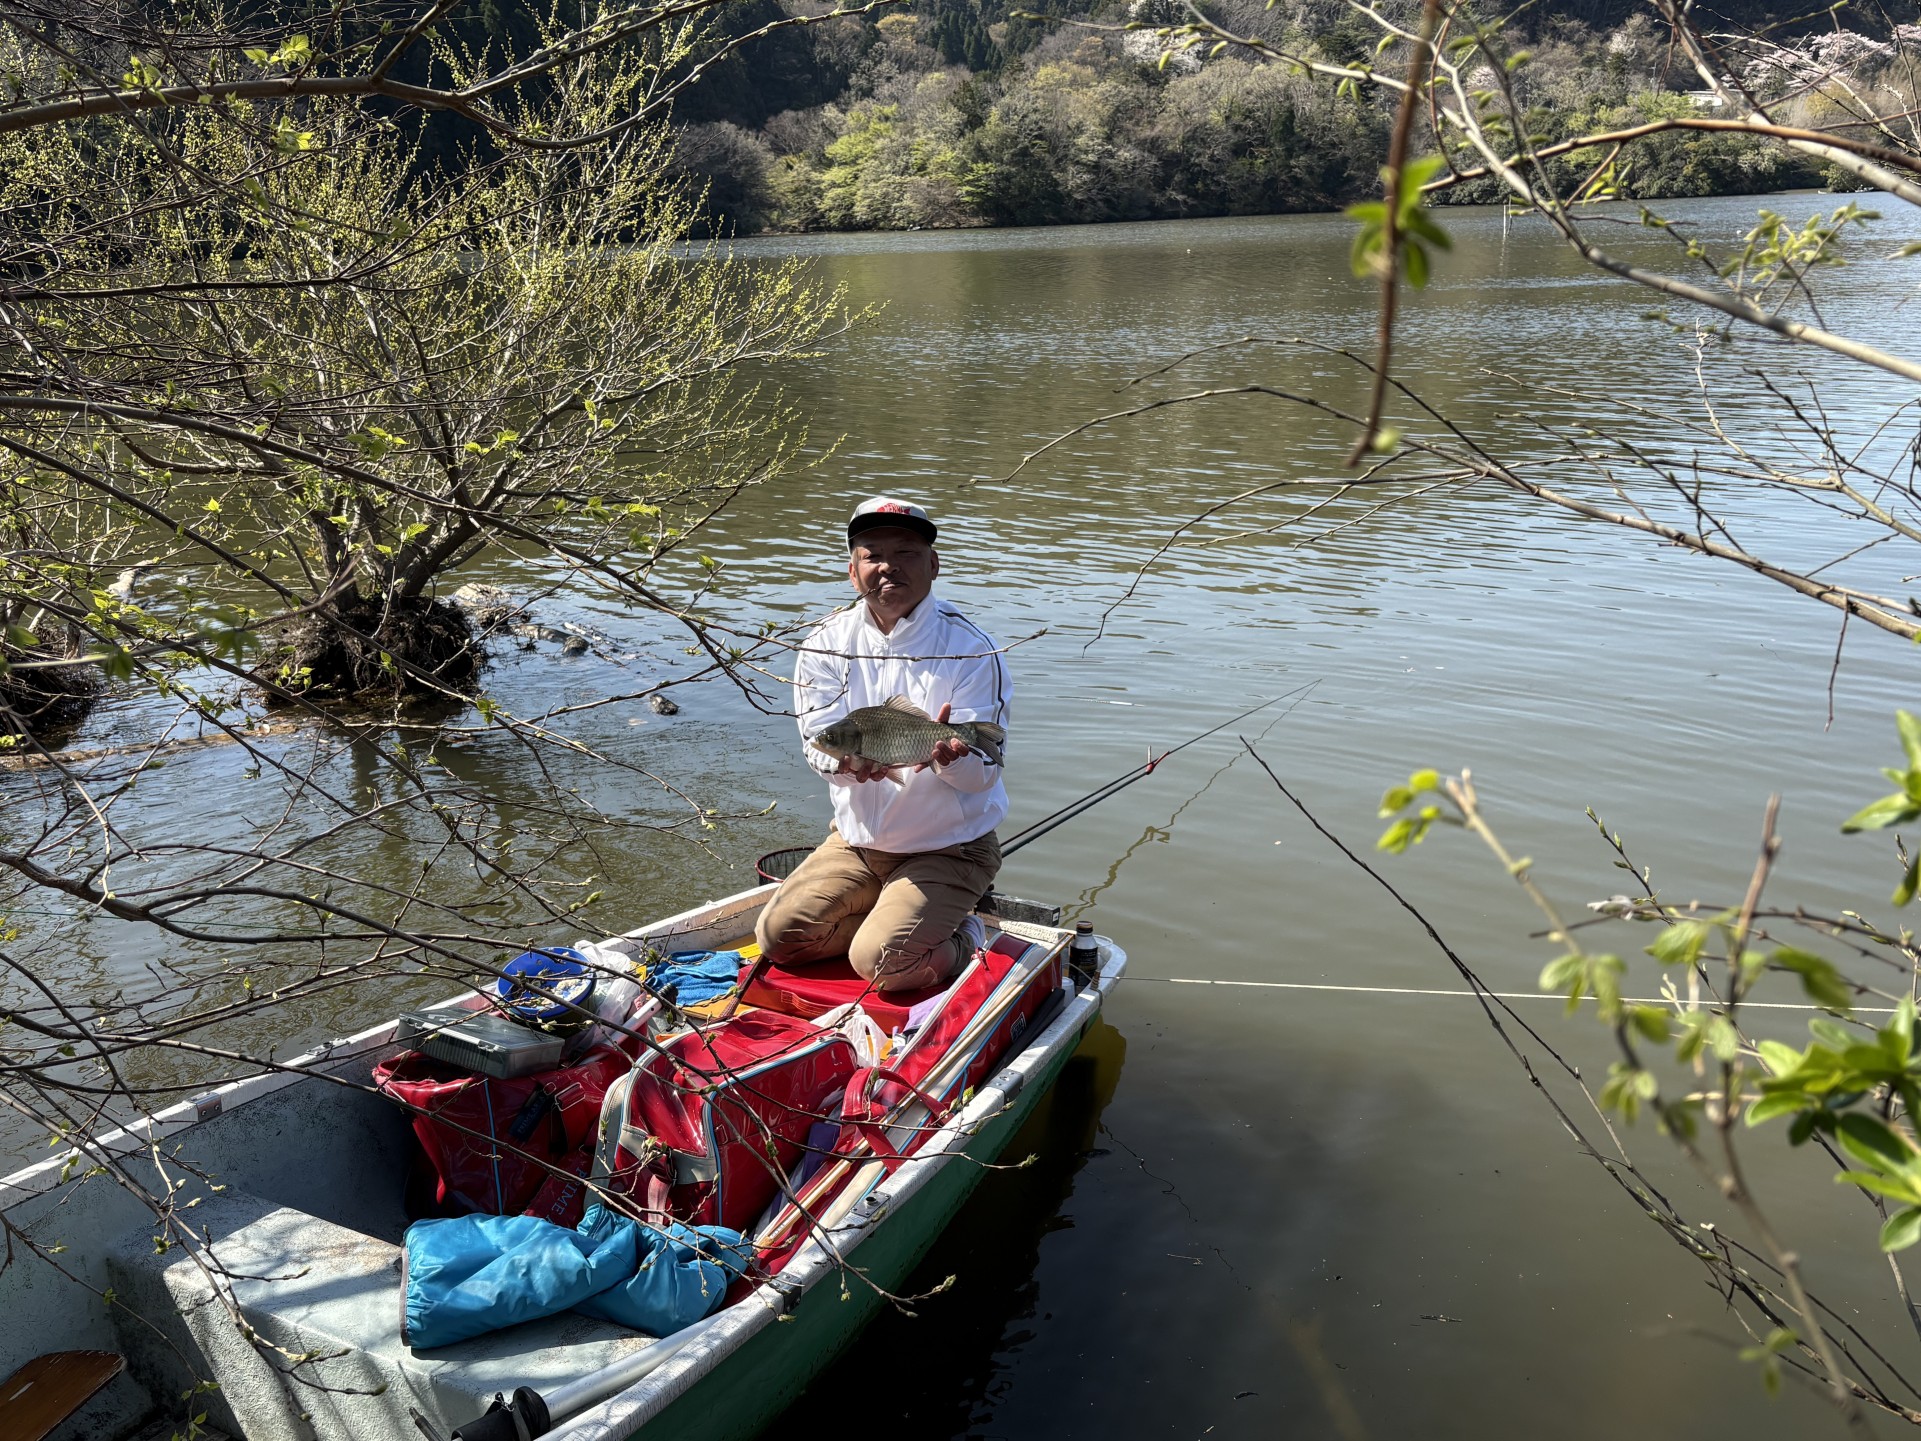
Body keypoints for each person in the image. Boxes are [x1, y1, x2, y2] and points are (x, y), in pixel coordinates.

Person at [754, 497, 1011, 992]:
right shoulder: (825, 642)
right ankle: (891, 914)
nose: (888, 566)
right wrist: (846, 767)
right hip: (856, 840)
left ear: (934, 565)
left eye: (906, 553)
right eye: (872, 555)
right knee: (780, 939)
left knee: (886, 964)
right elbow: (816, 744)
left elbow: (984, 775)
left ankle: (966, 930)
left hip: (949, 848)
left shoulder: (973, 648)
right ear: (853, 572)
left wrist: (949, 761)